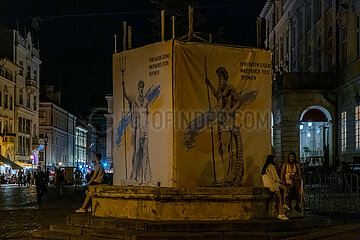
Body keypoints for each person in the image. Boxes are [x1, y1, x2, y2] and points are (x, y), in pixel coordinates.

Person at [123, 79, 152, 184]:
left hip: (145, 128)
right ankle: (134, 176)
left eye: (142, 87)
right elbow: (126, 96)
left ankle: (144, 178)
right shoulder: (135, 99)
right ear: (138, 88)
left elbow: (147, 115)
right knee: (136, 152)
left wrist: (147, 127)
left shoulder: (145, 101)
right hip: (138, 128)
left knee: (145, 153)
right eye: (139, 87)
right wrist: (123, 84)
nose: (141, 89)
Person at [261, 155, 288, 220]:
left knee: (283, 188)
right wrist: (281, 181)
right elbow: (275, 177)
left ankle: (283, 205)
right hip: (272, 184)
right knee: (279, 198)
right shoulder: (271, 166)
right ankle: (280, 213)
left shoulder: (265, 167)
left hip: (268, 184)